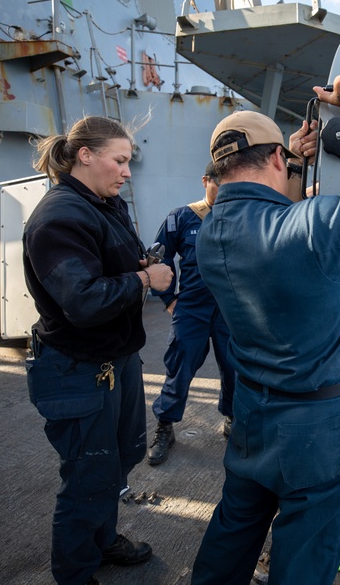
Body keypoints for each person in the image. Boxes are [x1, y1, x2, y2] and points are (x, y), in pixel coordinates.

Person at [190, 69, 340, 585]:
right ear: (277, 160)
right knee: (303, 564)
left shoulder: (210, 233)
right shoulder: (314, 230)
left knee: (232, 533)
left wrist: (294, 158)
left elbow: (271, 217)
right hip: (319, 435)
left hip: (254, 418)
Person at [22, 116, 174, 585]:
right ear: (85, 156)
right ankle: (74, 571)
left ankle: (101, 539)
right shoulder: (59, 218)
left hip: (116, 363)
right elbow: (83, 301)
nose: (127, 171)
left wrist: (139, 264)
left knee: (120, 457)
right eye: (120, 160)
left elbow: (113, 261)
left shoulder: (107, 205)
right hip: (77, 370)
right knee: (89, 476)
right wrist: (147, 280)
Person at [147, 161, 235, 466]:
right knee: (180, 366)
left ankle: (233, 417)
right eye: (218, 186)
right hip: (192, 308)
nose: (223, 193)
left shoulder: (238, 216)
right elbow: (158, 256)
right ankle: (165, 426)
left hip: (230, 310)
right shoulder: (181, 217)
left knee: (235, 366)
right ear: (205, 181)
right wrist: (169, 298)